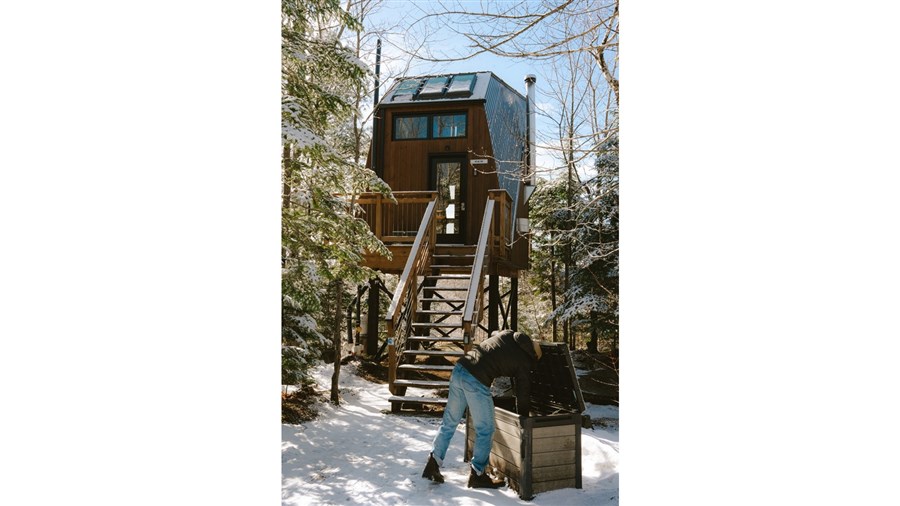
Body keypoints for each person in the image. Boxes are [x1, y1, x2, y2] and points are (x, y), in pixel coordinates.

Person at [421, 329, 543, 488]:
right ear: (533, 355)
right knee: (486, 429)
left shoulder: (508, 335)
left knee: (449, 422)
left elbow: (494, 339)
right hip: (476, 380)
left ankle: (433, 464)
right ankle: (478, 475)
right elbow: (523, 392)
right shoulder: (525, 361)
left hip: (460, 367)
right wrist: (524, 417)